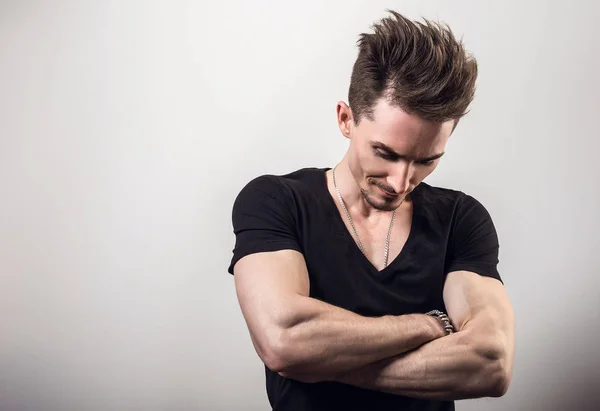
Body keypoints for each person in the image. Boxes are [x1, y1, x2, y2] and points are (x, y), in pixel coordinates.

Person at [227, 10, 515, 411]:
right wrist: (429, 324)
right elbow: (284, 340)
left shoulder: (460, 219)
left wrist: (322, 363)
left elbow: (491, 362)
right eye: (386, 153)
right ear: (346, 119)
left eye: (426, 160)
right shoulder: (277, 201)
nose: (401, 181)